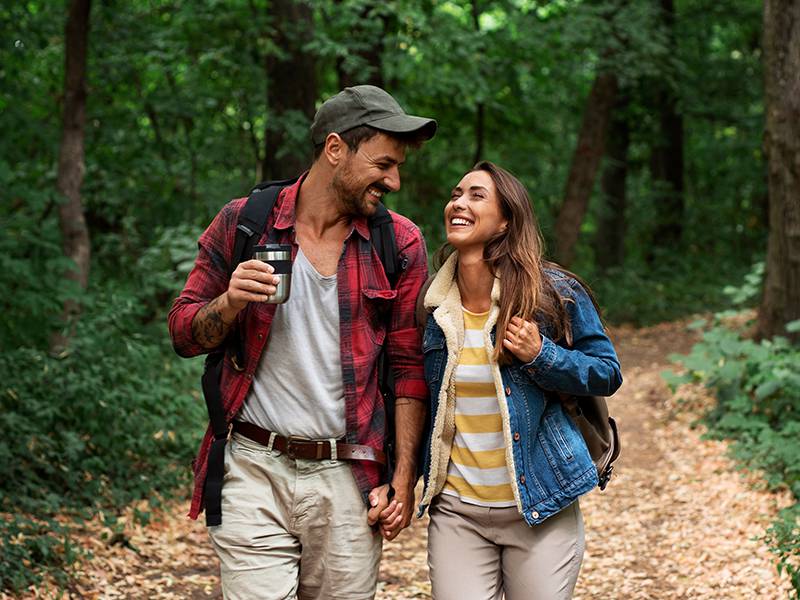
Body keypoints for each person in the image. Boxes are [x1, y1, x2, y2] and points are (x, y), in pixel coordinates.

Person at [168, 85, 436, 600]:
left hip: (348, 475)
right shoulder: (245, 221)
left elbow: (407, 368)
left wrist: (404, 477)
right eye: (383, 164)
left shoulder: (399, 242)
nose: (394, 180)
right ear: (335, 149)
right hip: (252, 466)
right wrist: (229, 302)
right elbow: (182, 331)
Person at [416, 161, 622, 600]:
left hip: (542, 506)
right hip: (458, 512)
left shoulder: (552, 293)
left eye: (476, 195)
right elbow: (415, 398)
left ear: (506, 219)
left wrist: (541, 355)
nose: (458, 203)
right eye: (456, 194)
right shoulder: (432, 308)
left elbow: (606, 372)